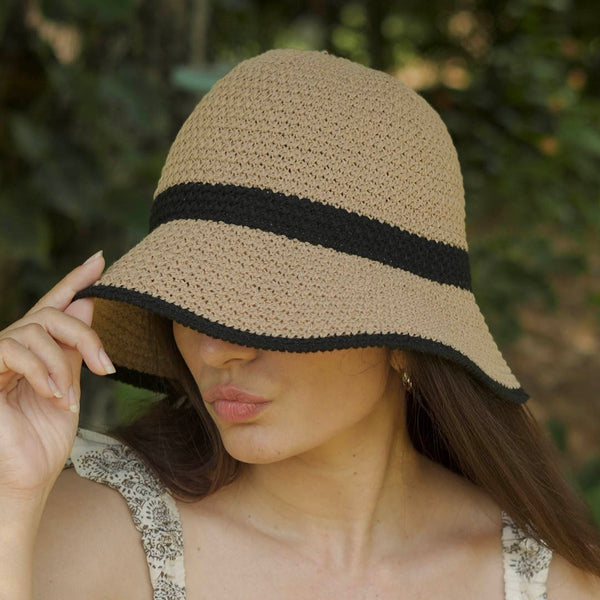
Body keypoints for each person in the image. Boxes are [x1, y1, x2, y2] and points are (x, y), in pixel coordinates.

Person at [1, 48, 599, 600]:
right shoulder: (84, 535)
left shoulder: (554, 584)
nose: (215, 349)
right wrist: (10, 497)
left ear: (405, 340)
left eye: (273, 301)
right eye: (191, 295)